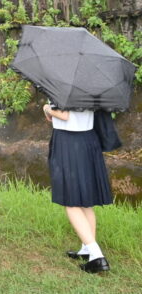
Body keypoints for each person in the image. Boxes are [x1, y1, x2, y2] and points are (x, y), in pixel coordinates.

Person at [43, 103, 113, 274]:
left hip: (69, 141)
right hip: (88, 139)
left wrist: (46, 108)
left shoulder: (63, 86)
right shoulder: (91, 86)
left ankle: (97, 256)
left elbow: (64, 115)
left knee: (71, 201)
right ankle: (87, 249)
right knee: (85, 201)